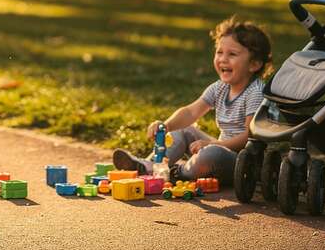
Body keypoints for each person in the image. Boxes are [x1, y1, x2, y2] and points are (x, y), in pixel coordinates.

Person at [112, 17, 270, 185]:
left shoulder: (255, 92)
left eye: (232, 54)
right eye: (219, 52)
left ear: (254, 64)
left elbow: (248, 137)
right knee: (183, 130)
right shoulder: (220, 88)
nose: (223, 59)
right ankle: (149, 165)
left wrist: (212, 144)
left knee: (211, 154)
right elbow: (190, 111)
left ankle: (178, 172)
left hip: (241, 160)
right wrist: (166, 126)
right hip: (217, 148)